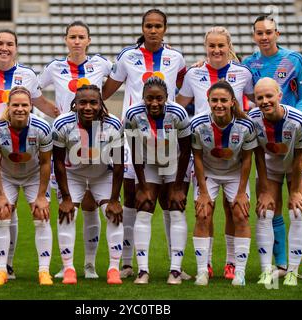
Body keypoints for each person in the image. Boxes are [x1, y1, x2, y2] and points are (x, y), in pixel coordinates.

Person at [0, 29, 58, 280]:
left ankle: (8, 265)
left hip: (23, 150)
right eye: (0, 43)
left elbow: (40, 103)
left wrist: (68, 114)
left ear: (16, 48)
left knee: (10, 209)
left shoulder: (27, 75)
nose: (5, 48)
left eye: (10, 44)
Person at [102, 9, 189, 280]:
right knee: (134, 198)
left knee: (170, 201)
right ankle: (127, 262)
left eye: (158, 26)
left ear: (165, 29)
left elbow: (185, 88)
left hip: (168, 140)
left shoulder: (176, 57)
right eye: (149, 26)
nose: (153, 30)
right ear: (142, 28)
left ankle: (176, 264)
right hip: (135, 136)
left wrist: (178, 115)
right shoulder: (128, 56)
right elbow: (106, 90)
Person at [176, 26, 254, 280]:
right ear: (205, 47)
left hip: (233, 151)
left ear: (229, 47)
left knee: (235, 210)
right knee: (204, 210)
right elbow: (180, 105)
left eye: (221, 45)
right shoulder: (193, 73)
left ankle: (232, 263)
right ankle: (205, 264)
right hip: (202, 149)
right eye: (212, 46)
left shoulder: (243, 73)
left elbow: (257, 101)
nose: (216, 50)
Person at [243, 15, 302, 280]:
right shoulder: (248, 64)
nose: (265, 37)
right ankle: (281, 264)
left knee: (300, 205)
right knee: (268, 207)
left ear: (278, 33)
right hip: (268, 144)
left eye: (269, 32)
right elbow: (237, 88)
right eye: (260, 33)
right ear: (254, 36)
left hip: (295, 139)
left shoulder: (294, 60)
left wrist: (292, 121)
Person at [38, 21, 113, 279]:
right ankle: (66, 264)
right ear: (66, 39)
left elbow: (119, 78)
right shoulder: (54, 67)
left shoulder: (101, 64)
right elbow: (33, 90)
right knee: (68, 204)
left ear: (89, 40)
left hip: (96, 136)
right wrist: (53, 111)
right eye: (73, 37)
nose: (77, 41)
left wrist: (102, 108)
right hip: (67, 136)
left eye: (82, 37)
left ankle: (90, 265)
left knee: (91, 205)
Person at [52, 84, 125, 285]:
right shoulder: (62, 124)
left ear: (101, 104)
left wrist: (114, 199)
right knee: (67, 213)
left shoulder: (113, 124)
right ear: (74, 104)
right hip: (73, 175)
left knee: (114, 214)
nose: (88, 107)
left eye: (94, 102)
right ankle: (69, 269)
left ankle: (113, 269)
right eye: (82, 102)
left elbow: (118, 163)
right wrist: (66, 198)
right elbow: (58, 161)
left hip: (102, 174)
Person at [123, 77, 191, 285]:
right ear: (143, 97)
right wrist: (142, 186)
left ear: (166, 98)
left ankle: (176, 271)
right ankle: (143, 270)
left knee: (176, 206)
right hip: (148, 164)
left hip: (174, 163)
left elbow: (186, 149)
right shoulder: (133, 113)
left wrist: (178, 186)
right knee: (144, 205)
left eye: (159, 98)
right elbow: (134, 150)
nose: (154, 103)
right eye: (149, 98)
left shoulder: (178, 113)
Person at [190, 80, 257, 286]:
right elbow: (198, 158)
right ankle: (203, 269)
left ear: (232, 102)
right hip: (208, 172)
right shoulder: (198, 124)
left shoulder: (246, 125)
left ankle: (237, 269)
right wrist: (202, 191)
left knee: (240, 213)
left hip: (235, 173)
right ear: (208, 101)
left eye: (223, 100)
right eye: (214, 100)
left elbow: (247, 159)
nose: (219, 104)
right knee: (203, 213)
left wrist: (240, 193)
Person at [0, 86, 53, 286]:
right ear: (8, 106)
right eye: (15, 105)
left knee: (41, 215)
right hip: (7, 176)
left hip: (33, 176)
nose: (20, 109)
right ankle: (1, 271)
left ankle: (44, 271)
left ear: (31, 106)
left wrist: (41, 196)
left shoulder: (42, 128)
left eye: (24, 105)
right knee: (2, 214)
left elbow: (45, 163)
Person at [249, 77, 302, 286]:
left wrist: (294, 191)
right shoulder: (253, 118)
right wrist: (265, 190)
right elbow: (257, 155)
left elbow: (300, 158)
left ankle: (293, 271)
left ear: (280, 96)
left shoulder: (298, 119)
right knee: (264, 211)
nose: (265, 101)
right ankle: (268, 270)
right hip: (269, 161)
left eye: (269, 96)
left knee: (297, 210)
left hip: (298, 161)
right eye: (260, 97)